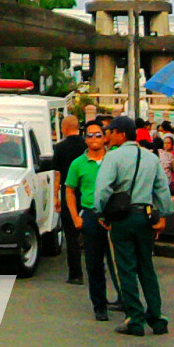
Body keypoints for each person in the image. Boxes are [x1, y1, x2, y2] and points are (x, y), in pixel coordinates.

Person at [93, 115, 172, 337]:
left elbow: (102, 190)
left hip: (122, 218)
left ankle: (134, 318)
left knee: (125, 268)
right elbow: (162, 189)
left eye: (110, 132)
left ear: (121, 133)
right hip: (145, 217)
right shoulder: (150, 158)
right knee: (146, 266)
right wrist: (163, 214)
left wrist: (100, 212)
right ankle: (156, 317)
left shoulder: (113, 157)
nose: (108, 136)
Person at [65, 118, 122, 321]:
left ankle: (124, 298)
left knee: (119, 259)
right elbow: (70, 191)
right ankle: (100, 305)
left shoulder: (114, 159)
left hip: (115, 215)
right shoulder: (78, 164)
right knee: (94, 262)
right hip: (90, 215)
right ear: (85, 138)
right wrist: (75, 217)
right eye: (90, 135)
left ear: (105, 138)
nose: (94, 139)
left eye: (98, 135)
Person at [51, 115, 87, 285]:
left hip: (68, 194)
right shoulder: (87, 145)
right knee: (91, 234)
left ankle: (75, 274)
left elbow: (57, 173)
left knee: (71, 235)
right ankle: (97, 268)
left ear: (64, 128)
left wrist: (55, 196)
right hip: (87, 193)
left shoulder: (60, 148)